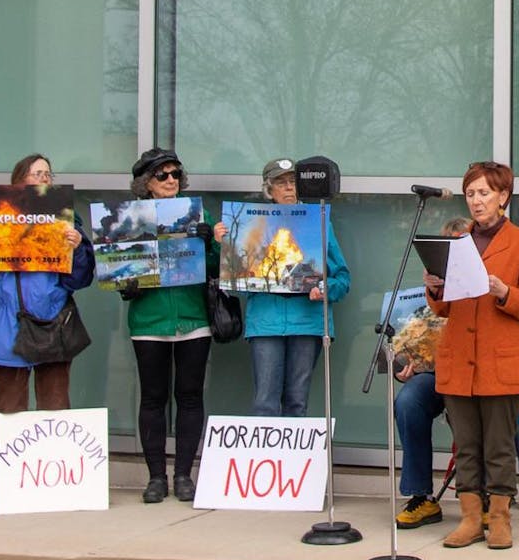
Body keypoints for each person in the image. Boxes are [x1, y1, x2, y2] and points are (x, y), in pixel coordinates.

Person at [426, 162, 519, 550]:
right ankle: (470, 518)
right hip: (460, 359)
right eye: (471, 194)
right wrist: (435, 288)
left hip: (501, 361)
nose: (476, 201)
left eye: (484, 193)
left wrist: (503, 292)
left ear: (503, 197)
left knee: (498, 446)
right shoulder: (456, 243)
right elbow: (444, 311)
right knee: (466, 445)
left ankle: (500, 518)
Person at [0, 154, 94, 413]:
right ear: (18, 180)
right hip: (8, 327)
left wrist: (78, 248)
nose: (44, 179)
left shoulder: (66, 222)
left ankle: (52, 455)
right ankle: (14, 455)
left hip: (54, 325)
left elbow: (80, 280)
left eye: (47, 175)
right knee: (10, 407)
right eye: (36, 174)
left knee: (55, 406)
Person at [121, 148, 219, 503]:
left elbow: (218, 267)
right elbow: (119, 269)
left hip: (193, 317)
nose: (171, 180)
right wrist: (125, 281)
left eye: (176, 174)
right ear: (146, 183)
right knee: (153, 398)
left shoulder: (197, 214)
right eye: (162, 175)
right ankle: (155, 477)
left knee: (190, 397)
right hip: (149, 319)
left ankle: (184, 475)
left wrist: (211, 244)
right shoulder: (129, 220)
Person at [214, 158, 349, 417]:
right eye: (281, 182)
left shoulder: (319, 221)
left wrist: (324, 288)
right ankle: (266, 459)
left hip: (308, 321)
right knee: (265, 403)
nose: (288, 188)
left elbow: (342, 278)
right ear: (269, 189)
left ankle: (294, 460)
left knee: (297, 403)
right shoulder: (250, 226)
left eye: (293, 182)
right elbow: (238, 282)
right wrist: (226, 247)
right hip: (266, 322)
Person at [392, 217, 470, 530]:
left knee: (470, 410)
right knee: (409, 401)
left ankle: (478, 494)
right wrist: (403, 367)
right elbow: (406, 346)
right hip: (436, 374)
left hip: (474, 375)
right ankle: (420, 495)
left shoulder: (487, 285)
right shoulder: (430, 295)